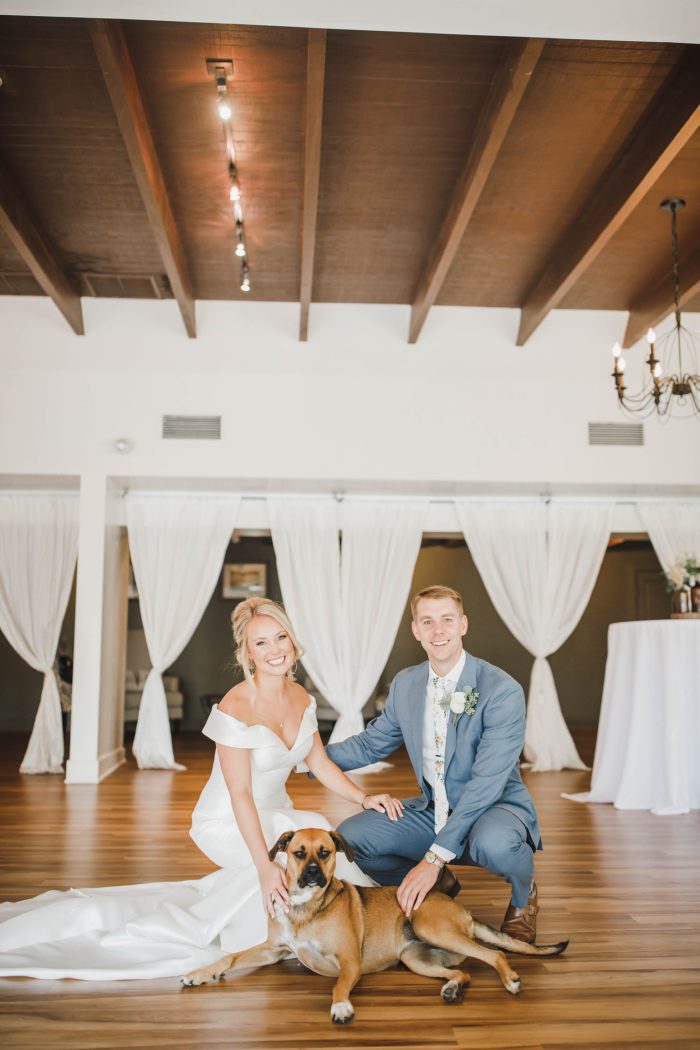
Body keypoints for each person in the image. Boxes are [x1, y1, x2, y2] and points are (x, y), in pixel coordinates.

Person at [0, 597, 400, 979]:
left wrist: (364, 797)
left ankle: (366, 926)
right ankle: (261, 936)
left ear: (293, 641)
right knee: (283, 857)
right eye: (261, 642)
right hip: (226, 819)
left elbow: (320, 764)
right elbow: (240, 794)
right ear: (248, 654)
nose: (275, 649)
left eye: (281, 637)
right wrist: (263, 866)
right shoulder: (235, 708)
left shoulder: (302, 698)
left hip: (276, 812)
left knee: (313, 825)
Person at [326, 584, 542, 943]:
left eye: (446, 620)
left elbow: (486, 783)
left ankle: (524, 896)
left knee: (496, 844)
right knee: (351, 839)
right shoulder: (406, 684)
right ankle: (437, 888)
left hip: (492, 807)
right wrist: (302, 756)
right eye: (427, 621)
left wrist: (432, 859)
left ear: (463, 625)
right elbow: (371, 743)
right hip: (433, 808)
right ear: (416, 630)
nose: (437, 631)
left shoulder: (501, 690)